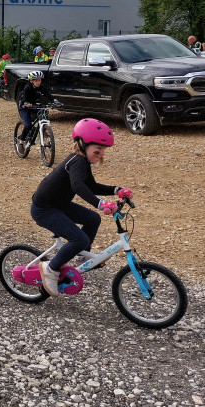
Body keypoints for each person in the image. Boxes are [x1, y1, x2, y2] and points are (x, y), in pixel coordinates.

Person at [30, 119, 132, 296]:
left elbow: (91, 186)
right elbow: (78, 186)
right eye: (98, 149)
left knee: (93, 219)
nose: (101, 153)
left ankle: (81, 256)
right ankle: (51, 268)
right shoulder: (77, 161)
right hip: (44, 210)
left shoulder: (83, 162)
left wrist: (117, 189)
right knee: (80, 239)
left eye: (103, 150)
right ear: (83, 144)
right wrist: (99, 203)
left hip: (59, 204)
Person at [16, 70, 56, 146]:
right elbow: (24, 98)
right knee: (28, 125)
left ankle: (44, 129)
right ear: (31, 81)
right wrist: (26, 103)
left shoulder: (41, 87)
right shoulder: (27, 88)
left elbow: (48, 94)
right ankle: (21, 140)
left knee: (44, 111)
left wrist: (54, 100)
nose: (38, 82)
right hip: (25, 107)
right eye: (36, 80)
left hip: (34, 106)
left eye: (39, 80)